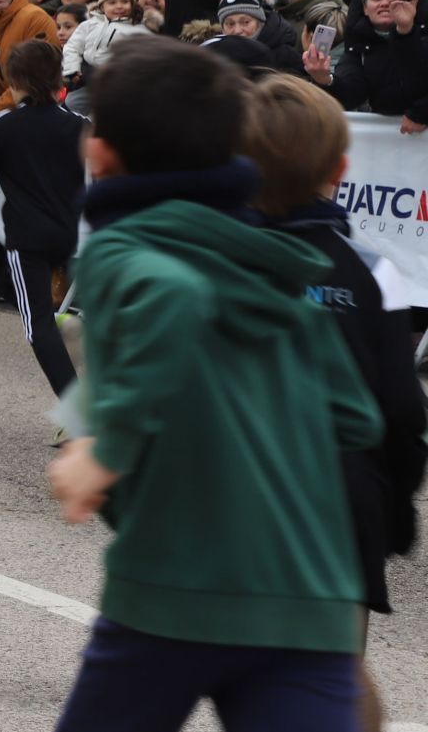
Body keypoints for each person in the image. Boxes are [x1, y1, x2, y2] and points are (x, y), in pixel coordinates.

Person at [47, 40, 382, 732]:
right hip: (306, 599)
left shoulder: (123, 247)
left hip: (174, 589)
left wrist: (104, 449)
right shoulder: (282, 267)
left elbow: (172, 306)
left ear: (101, 153)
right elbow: (355, 417)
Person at [239, 75, 426, 728]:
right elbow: (403, 406)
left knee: (254, 674)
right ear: (342, 169)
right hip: (345, 498)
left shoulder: (217, 259)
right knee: (337, 671)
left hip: (242, 497)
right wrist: (397, 500)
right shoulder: (374, 267)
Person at [0, 40, 85, 400]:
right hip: (72, 231)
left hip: (25, 235)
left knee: (37, 324)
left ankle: (76, 408)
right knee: (76, 309)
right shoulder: (80, 124)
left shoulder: (4, 125)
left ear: (16, 82)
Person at [305, 0, 427, 134]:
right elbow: (350, 96)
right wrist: (324, 79)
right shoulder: (358, 47)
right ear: (365, 9)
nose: (385, 3)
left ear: (413, 3)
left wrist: (420, 113)